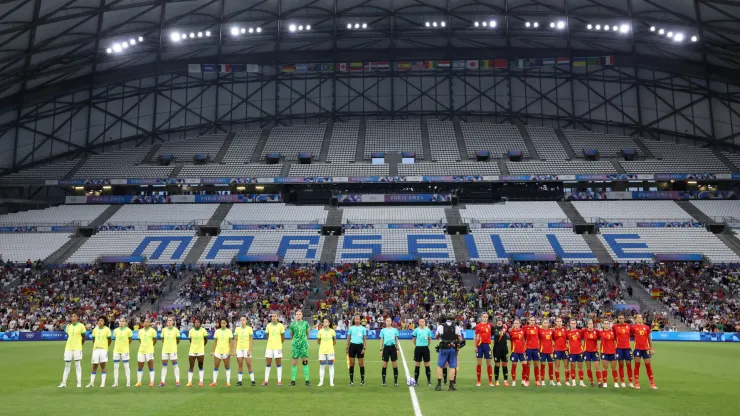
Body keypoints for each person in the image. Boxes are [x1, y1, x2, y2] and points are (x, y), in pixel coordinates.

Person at [435, 315, 462, 391]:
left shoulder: (441, 326)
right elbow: (460, 338)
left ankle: (439, 384)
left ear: (446, 319)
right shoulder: (456, 327)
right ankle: (451, 385)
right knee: (453, 366)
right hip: (453, 348)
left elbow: (436, 336)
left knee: (440, 365)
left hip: (443, 347)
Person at [58, 312, 86, 388]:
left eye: (74, 316)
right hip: (68, 348)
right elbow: (69, 336)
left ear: (77, 318)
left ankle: (79, 383)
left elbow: (84, 337)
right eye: (72, 316)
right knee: (67, 364)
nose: (73, 317)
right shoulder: (68, 326)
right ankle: (64, 382)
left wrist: (80, 345)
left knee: (77, 364)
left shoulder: (81, 326)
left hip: (77, 348)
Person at [631, 314, 657, 390]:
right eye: (638, 317)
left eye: (641, 317)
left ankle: (652, 383)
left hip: (646, 349)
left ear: (642, 319)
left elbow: (649, 338)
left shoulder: (646, 327)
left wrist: (651, 348)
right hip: (637, 349)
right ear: (636, 319)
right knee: (637, 365)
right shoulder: (633, 328)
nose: (640, 318)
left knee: (648, 366)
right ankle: (636, 383)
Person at [87, 316, 112, 388]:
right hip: (96, 349)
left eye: (101, 320)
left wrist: (106, 347)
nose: (100, 321)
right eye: (99, 320)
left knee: (103, 366)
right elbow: (93, 339)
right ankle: (91, 383)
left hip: (103, 350)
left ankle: (103, 383)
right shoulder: (95, 329)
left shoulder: (107, 330)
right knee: (94, 366)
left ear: (104, 322)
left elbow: (109, 340)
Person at [262, 313, 285, 386]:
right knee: (268, 364)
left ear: (277, 317)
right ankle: (266, 381)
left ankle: (279, 381)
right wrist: (271, 341)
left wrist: (279, 344)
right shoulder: (268, 325)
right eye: (272, 316)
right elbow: (267, 335)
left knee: (278, 364)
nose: (274, 318)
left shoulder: (281, 326)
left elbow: (283, 337)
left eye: (275, 316)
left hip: (278, 347)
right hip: (269, 347)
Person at [289, 310, 311, 386]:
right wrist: (295, 341)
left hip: (303, 345)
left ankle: (307, 380)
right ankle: (293, 380)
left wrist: (304, 340)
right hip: (295, 345)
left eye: (299, 314)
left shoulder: (306, 323)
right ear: (295, 315)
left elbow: (308, 333)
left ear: (302, 315)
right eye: (297, 314)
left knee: (305, 362)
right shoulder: (292, 324)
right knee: (294, 363)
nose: (298, 315)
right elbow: (291, 334)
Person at [210, 318, 233, 386]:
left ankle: (228, 382)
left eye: (224, 323)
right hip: (218, 352)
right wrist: (213, 351)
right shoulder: (217, 331)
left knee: (227, 366)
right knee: (216, 366)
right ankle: (214, 382)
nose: (222, 324)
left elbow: (231, 342)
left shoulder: (229, 331)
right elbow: (215, 342)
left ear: (226, 324)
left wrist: (230, 351)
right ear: (220, 324)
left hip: (226, 351)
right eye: (221, 323)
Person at [613, 314, 634, 388]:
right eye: (620, 318)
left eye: (622, 318)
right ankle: (622, 381)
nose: (621, 319)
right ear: (618, 319)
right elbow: (613, 337)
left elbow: (634, 333)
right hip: (619, 348)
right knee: (621, 365)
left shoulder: (628, 326)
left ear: (624, 319)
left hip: (627, 348)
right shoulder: (615, 326)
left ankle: (630, 382)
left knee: (629, 365)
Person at [346, 314, 367, 386]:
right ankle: (351, 381)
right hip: (352, 346)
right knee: (352, 364)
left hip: (360, 346)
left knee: (361, 364)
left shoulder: (363, 329)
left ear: (360, 320)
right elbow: (348, 338)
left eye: (358, 319)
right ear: (354, 320)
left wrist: (364, 348)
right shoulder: (351, 328)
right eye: (356, 319)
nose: (357, 320)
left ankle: (362, 381)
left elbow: (364, 339)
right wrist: (347, 347)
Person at [136, 318, 157, 387]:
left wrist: (150, 345)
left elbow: (155, 340)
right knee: (140, 366)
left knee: (150, 366)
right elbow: (140, 340)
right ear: (143, 323)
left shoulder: (153, 331)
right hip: (141, 351)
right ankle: (139, 382)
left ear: (150, 323)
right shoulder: (140, 331)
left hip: (149, 351)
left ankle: (152, 381)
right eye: (145, 322)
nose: (146, 323)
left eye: (147, 322)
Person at [473, 313, 494, 387]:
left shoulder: (490, 325)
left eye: (486, 317)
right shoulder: (478, 326)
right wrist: (475, 346)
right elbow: (475, 336)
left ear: (487, 318)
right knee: (479, 364)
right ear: (481, 317)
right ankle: (478, 381)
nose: (485, 318)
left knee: (489, 364)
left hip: (487, 346)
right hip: (480, 346)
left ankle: (490, 381)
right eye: (484, 317)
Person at [412, 318, 433, 386]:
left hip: (425, 349)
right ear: (418, 323)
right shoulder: (416, 330)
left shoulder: (428, 330)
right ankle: (416, 381)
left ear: (425, 322)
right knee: (417, 365)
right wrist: (417, 345)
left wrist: (427, 346)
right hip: (418, 349)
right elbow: (414, 339)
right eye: (420, 322)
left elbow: (430, 340)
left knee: (427, 365)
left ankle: (429, 381)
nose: (421, 323)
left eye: (422, 322)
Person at [234, 316, 255, 386]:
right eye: (241, 320)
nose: (242, 321)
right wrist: (234, 350)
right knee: (240, 365)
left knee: (249, 364)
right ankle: (240, 381)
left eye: (243, 320)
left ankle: (253, 380)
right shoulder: (237, 329)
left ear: (246, 321)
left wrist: (249, 350)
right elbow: (235, 340)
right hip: (239, 349)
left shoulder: (249, 329)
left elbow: (251, 340)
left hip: (246, 349)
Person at [159, 317, 180, 387]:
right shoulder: (164, 330)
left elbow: (178, 340)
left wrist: (173, 345)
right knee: (164, 366)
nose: (169, 322)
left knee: (175, 366)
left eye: (170, 320)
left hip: (173, 350)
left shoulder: (176, 330)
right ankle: (162, 381)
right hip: (165, 350)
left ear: (173, 322)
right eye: (168, 321)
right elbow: (162, 339)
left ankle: (177, 381)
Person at [112, 317, 133, 387]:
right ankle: (115, 383)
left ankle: (128, 382)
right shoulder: (115, 331)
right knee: (115, 367)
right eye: (120, 321)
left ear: (125, 322)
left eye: (123, 321)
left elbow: (130, 339)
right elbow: (115, 338)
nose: (121, 322)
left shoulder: (128, 330)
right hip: (116, 350)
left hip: (125, 351)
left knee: (126, 367)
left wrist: (125, 345)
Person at [187, 318, 208, 387]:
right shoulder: (191, 331)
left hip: (200, 351)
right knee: (191, 366)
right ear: (194, 323)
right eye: (196, 322)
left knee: (200, 366)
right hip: (192, 351)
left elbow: (206, 340)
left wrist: (201, 345)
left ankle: (201, 381)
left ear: (200, 323)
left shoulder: (203, 330)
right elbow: (190, 340)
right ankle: (189, 382)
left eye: (198, 322)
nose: (197, 323)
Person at [379, 317, 400, 387]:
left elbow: (397, 340)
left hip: (393, 348)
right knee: (384, 365)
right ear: (385, 322)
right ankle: (384, 381)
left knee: (395, 365)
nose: (388, 322)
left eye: (389, 321)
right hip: (386, 348)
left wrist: (397, 349)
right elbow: (381, 340)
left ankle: (396, 381)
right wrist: (381, 350)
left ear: (391, 322)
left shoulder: (395, 330)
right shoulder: (383, 330)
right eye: (387, 321)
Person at [599, 319, 619, 388]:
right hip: (604, 352)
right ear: (603, 325)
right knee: (605, 368)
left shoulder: (613, 332)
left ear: (609, 324)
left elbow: (617, 341)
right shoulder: (600, 332)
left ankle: (615, 382)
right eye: (605, 323)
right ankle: (605, 382)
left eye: (607, 323)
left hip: (613, 352)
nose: (606, 324)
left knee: (614, 368)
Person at [317, 318, 336, 387]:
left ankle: (331, 382)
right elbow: (318, 341)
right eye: (324, 322)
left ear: (329, 323)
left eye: (326, 322)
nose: (324, 323)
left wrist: (329, 346)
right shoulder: (320, 331)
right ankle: (321, 382)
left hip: (330, 350)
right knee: (322, 366)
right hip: (322, 350)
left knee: (331, 366)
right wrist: (323, 345)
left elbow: (334, 342)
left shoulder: (332, 331)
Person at [567, 319, 586, 387]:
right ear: (570, 324)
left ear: (576, 324)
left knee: (580, 367)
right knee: (573, 367)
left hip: (580, 352)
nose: (573, 324)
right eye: (572, 323)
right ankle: (573, 382)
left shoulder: (580, 332)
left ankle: (581, 382)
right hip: (572, 352)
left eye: (574, 323)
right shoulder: (568, 332)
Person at [508, 319, 526, 387]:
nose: (516, 324)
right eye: (515, 323)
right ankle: (513, 381)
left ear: (520, 324)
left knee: (524, 365)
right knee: (514, 366)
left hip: (522, 351)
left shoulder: (523, 331)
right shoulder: (511, 332)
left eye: (517, 323)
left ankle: (523, 381)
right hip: (514, 351)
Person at [523, 316, 540, 386]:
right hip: (528, 349)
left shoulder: (537, 328)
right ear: (528, 321)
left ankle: (537, 381)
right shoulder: (525, 328)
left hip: (536, 349)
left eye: (533, 320)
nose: (533, 321)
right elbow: (521, 336)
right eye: (531, 320)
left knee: (536, 365)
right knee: (528, 365)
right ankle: (527, 381)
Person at [583, 319, 601, 387]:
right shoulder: (584, 331)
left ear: (593, 324)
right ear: (587, 325)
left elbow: (602, 336)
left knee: (597, 367)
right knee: (588, 368)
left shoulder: (596, 331)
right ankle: (592, 382)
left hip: (594, 352)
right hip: (587, 352)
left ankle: (599, 382)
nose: (590, 324)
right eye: (589, 323)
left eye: (591, 323)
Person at [538, 318, 556, 386]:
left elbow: (554, 339)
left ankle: (551, 381)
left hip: (550, 351)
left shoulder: (551, 331)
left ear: (549, 324)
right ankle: (542, 381)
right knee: (542, 366)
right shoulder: (540, 331)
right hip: (542, 351)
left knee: (551, 366)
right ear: (542, 324)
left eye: (546, 323)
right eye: (544, 323)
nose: (545, 324)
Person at [552, 317, 569, 386]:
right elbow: (552, 339)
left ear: (562, 322)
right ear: (556, 322)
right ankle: (558, 381)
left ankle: (567, 381)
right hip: (557, 350)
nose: (559, 322)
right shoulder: (553, 330)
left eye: (560, 321)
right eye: (558, 321)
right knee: (557, 366)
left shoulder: (565, 329)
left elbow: (568, 338)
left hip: (565, 350)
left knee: (566, 366)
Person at [492, 317, 509, 386]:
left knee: (504, 364)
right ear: (496, 321)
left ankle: (505, 381)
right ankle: (496, 380)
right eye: (498, 320)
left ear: (502, 321)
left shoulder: (505, 327)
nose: (499, 322)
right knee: (497, 364)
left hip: (504, 348)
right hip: (496, 348)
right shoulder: (493, 328)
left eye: (500, 320)